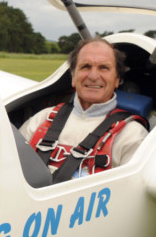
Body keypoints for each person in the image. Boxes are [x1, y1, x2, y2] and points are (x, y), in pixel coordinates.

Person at [19, 37, 148, 182]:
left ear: (117, 79)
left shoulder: (132, 135)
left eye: (103, 68)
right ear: (73, 76)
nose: (93, 76)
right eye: (85, 66)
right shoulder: (40, 120)